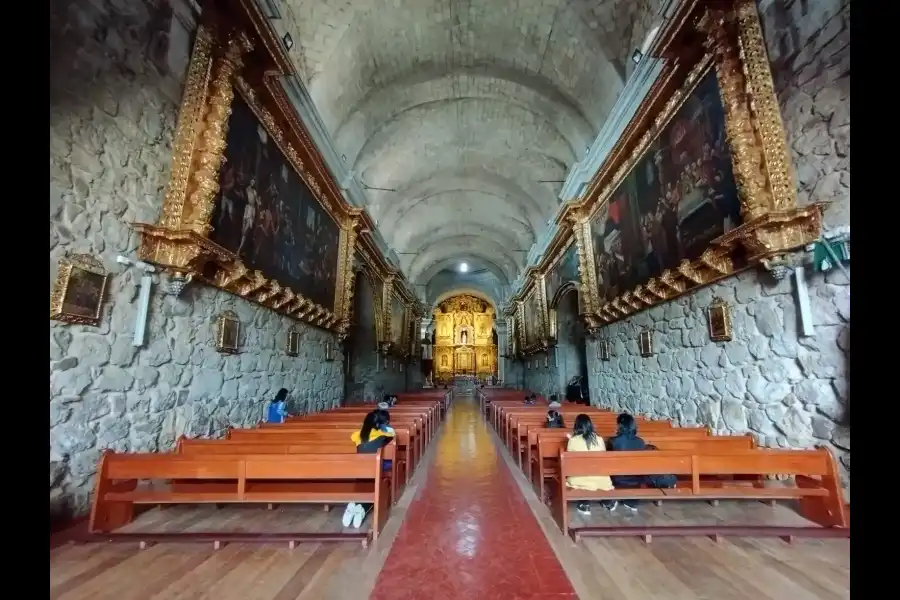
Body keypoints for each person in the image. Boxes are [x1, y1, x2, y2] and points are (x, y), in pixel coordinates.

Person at [606, 413, 677, 512]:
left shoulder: (613, 441)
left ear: (620, 426)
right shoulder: (640, 442)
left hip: (619, 479)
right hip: (637, 479)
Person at [342, 410, 395, 529]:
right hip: (374, 469)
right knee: (384, 467)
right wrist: (385, 427)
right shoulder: (383, 436)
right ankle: (362, 508)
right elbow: (392, 433)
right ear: (379, 424)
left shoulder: (358, 435)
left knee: (364, 481)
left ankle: (354, 504)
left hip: (359, 470)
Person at [566, 414, 614, 516]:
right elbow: (603, 459)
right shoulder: (599, 439)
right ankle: (607, 501)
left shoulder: (573, 440)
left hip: (579, 479)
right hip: (601, 480)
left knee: (579, 476)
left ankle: (584, 503)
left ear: (576, 425)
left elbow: (569, 461)